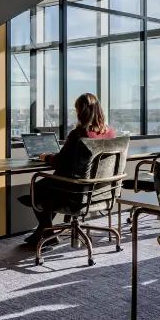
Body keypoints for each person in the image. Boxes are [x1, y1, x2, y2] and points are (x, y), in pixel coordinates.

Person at [20, 93, 116, 247]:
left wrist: (46, 157)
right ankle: (43, 231)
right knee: (48, 189)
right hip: (101, 190)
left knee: (38, 188)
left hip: (75, 192)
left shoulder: (79, 135)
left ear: (80, 111)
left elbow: (60, 161)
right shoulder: (110, 133)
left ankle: (48, 232)